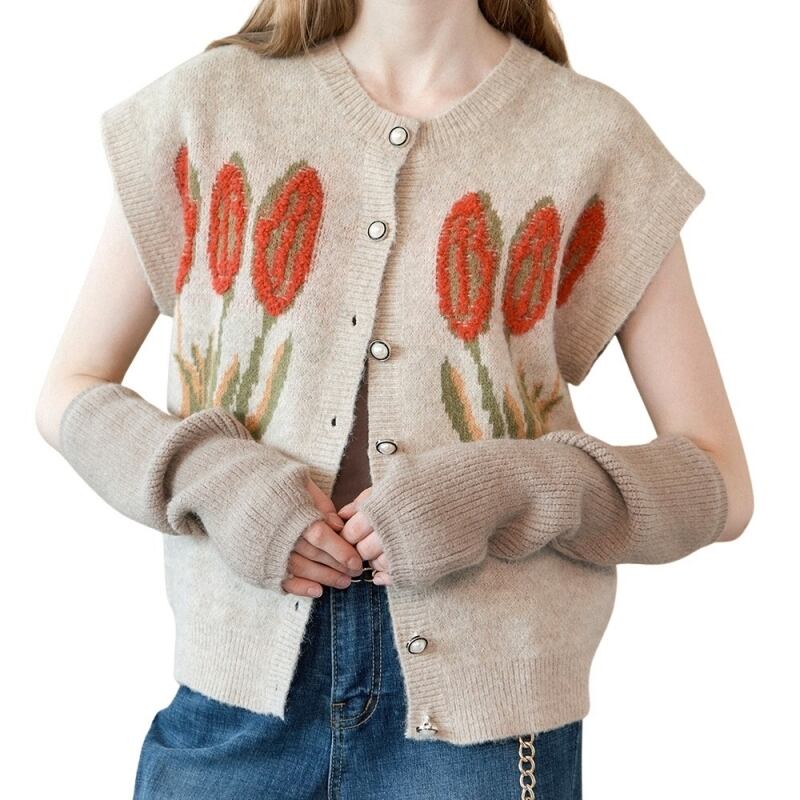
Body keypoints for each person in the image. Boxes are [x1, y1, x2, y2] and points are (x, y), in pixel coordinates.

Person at [35, 1, 753, 798]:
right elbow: (70, 392)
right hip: (236, 705)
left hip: (483, 732)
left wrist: (515, 487)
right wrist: (215, 478)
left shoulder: (592, 140)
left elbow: (721, 486)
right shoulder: (206, 106)